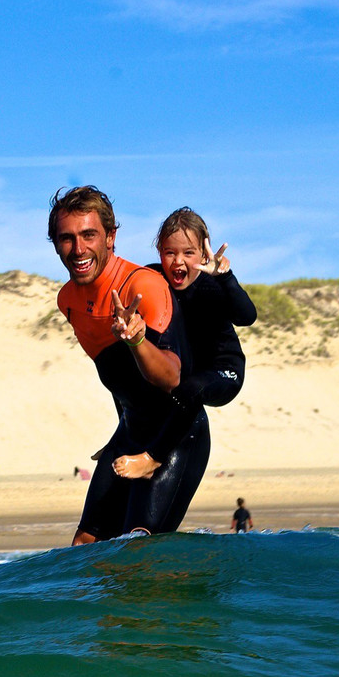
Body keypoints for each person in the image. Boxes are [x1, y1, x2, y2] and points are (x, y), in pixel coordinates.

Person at [49, 186, 210, 543]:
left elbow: (172, 378)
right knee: (85, 547)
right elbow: (117, 379)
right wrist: (121, 428)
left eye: (89, 235)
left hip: (177, 436)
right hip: (130, 433)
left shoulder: (143, 286)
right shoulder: (69, 301)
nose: (78, 250)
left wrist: (137, 340)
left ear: (111, 237)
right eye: (66, 238)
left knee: (137, 550)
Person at [113, 207, 257, 479]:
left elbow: (247, 317)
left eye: (188, 253)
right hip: (184, 369)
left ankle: (152, 459)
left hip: (222, 372)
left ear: (204, 254)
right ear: (159, 251)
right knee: (125, 367)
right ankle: (124, 436)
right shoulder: (153, 281)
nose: (178, 261)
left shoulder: (211, 285)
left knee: (189, 389)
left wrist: (225, 278)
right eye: (170, 252)